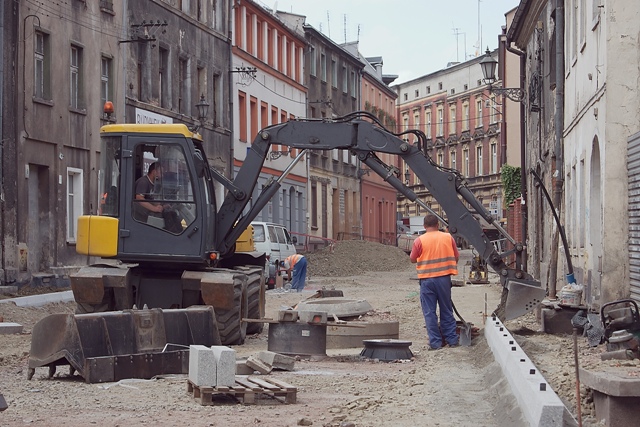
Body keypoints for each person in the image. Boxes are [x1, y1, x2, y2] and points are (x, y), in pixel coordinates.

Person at [410, 214, 460, 350]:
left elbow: (413, 258)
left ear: (424, 226)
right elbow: (456, 256)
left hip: (427, 280)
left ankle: (436, 343)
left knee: (429, 312)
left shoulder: (419, 240)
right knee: (446, 309)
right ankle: (452, 339)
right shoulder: (448, 237)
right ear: (438, 225)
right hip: (444, 279)